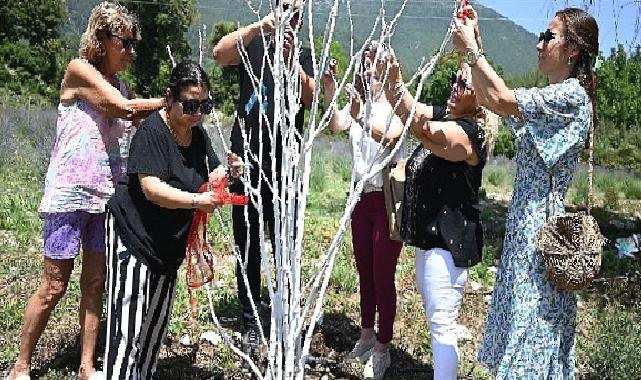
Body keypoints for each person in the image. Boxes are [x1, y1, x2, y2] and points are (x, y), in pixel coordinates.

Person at [6, 2, 165, 380]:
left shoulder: (123, 86)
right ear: (101, 39)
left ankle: (86, 366)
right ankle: (21, 367)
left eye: (133, 44)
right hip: (68, 195)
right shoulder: (80, 72)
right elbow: (122, 109)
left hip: (104, 198)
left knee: (95, 284)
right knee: (54, 285)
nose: (131, 51)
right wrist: (170, 100)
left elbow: (131, 117)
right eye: (124, 42)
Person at [452, 6, 599, 379]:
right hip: (525, 228)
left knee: (533, 329)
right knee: (523, 323)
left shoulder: (571, 97)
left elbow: (499, 99)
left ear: (573, 50)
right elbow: (488, 99)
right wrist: (475, 43)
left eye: (549, 36)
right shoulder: (551, 95)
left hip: (541, 232)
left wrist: (475, 50)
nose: (538, 44)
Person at [103, 60, 242, 379]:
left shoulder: (198, 134)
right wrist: (197, 201)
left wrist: (231, 174)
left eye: (204, 105)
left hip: (167, 244)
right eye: (191, 104)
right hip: (135, 235)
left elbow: (212, 174)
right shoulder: (152, 131)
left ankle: (144, 374)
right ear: (170, 98)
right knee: (128, 322)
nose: (198, 113)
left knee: (155, 321)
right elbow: (151, 188)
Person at [212, 0, 315, 354]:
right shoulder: (254, 41)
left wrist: (290, 63)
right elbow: (219, 53)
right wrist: (262, 28)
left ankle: (285, 315)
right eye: (285, 6)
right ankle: (250, 318)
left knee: (285, 245)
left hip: (284, 169)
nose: (290, 14)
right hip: (246, 164)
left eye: (297, 11)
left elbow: (312, 96)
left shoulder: (304, 52)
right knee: (247, 245)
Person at [383, 53, 493, 379]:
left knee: (442, 327)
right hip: (434, 243)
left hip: (448, 247)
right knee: (438, 324)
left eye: (464, 84)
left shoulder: (470, 133)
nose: (454, 87)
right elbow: (411, 110)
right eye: (455, 80)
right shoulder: (450, 114)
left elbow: (424, 129)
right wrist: (392, 81)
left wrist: (398, 86)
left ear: (479, 99)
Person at [321, 42, 404, 380]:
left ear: (388, 68)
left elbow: (390, 138)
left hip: (386, 202)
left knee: (383, 275)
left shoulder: (399, 105)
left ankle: (383, 348)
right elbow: (336, 123)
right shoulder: (358, 104)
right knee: (365, 272)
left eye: (376, 63)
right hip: (359, 201)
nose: (369, 70)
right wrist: (329, 90)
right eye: (366, 63)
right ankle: (366, 335)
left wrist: (361, 116)